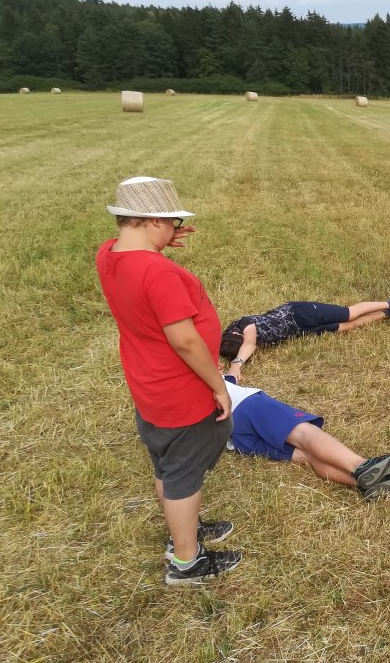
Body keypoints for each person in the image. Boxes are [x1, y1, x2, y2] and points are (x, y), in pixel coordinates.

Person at [95, 176, 240, 586]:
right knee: (183, 473)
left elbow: (135, 260)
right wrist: (218, 385)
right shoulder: (157, 272)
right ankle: (186, 561)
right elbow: (185, 340)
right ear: (153, 221)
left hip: (149, 387)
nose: (175, 229)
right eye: (172, 222)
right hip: (181, 392)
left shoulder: (109, 254)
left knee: (166, 462)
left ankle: (183, 530)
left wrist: (156, 243)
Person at [219, 373, 390, 519]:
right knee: (303, 432)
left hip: (230, 437)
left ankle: (384, 486)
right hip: (240, 403)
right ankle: (362, 466)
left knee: (309, 456)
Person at [220, 295, 390, 380]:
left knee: (349, 314)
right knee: (348, 326)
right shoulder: (226, 341)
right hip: (299, 331)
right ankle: (389, 314)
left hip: (299, 313)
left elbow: (250, 342)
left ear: (235, 333)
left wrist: (236, 365)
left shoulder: (244, 324)